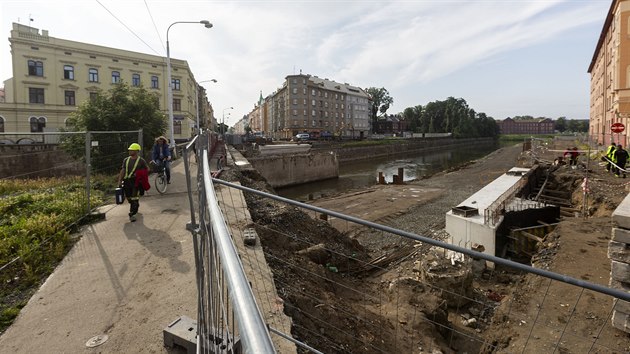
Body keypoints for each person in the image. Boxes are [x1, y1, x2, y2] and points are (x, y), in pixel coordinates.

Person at [117, 143, 149, 222]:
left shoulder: (141, 160)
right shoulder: (126, 160)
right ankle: (135, 205)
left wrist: (139, 173)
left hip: (136, 182)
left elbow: (147, 169)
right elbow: (123, 170)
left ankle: (132, 214)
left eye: (132, 150)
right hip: (127, 182)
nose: (130, 151)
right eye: (129, 150)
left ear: (136, 151)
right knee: (129, 198)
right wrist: (120, 181)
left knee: (134, 197)